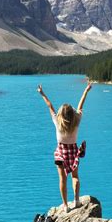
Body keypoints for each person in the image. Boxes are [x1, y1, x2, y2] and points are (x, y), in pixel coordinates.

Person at [37, 82, 92, 212]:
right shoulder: (77, 120)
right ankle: (77, 201)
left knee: (62, 179)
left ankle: (66, 205)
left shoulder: (57, 121)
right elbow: (80, 105)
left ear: (61, 114)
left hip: (61, 152)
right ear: (72, 114)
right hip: (73, 151)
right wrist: (86, 91)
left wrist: (42, 93)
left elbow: (50, 106)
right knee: (75, 176)